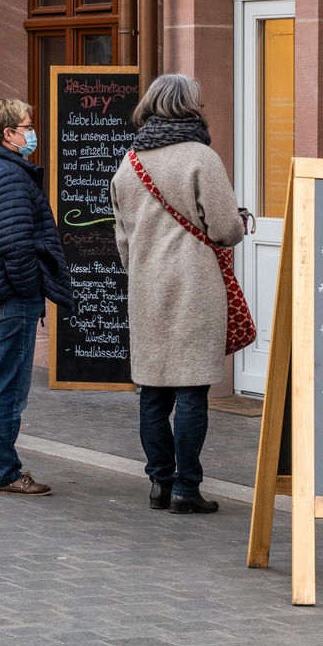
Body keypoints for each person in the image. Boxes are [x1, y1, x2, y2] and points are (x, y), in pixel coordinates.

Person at [110, 74, 246, 514]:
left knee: (152, 393)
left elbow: (124, 241)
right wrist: (241, 221)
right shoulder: (202, 158)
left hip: (147, 290)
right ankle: (187, 487)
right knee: (191, 393)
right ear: (190, 106)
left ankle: (159, 484)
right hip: (195, 288)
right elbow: (226, 229)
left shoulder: (129, 163)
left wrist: (146, 268)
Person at [0, 97, 74, 496]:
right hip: (8, 297)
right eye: (26, 126)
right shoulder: (10, 177)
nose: (31, 133)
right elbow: (16, 245)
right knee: (8, 388)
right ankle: (4, 472)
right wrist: (27, 291)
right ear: (7, 134)